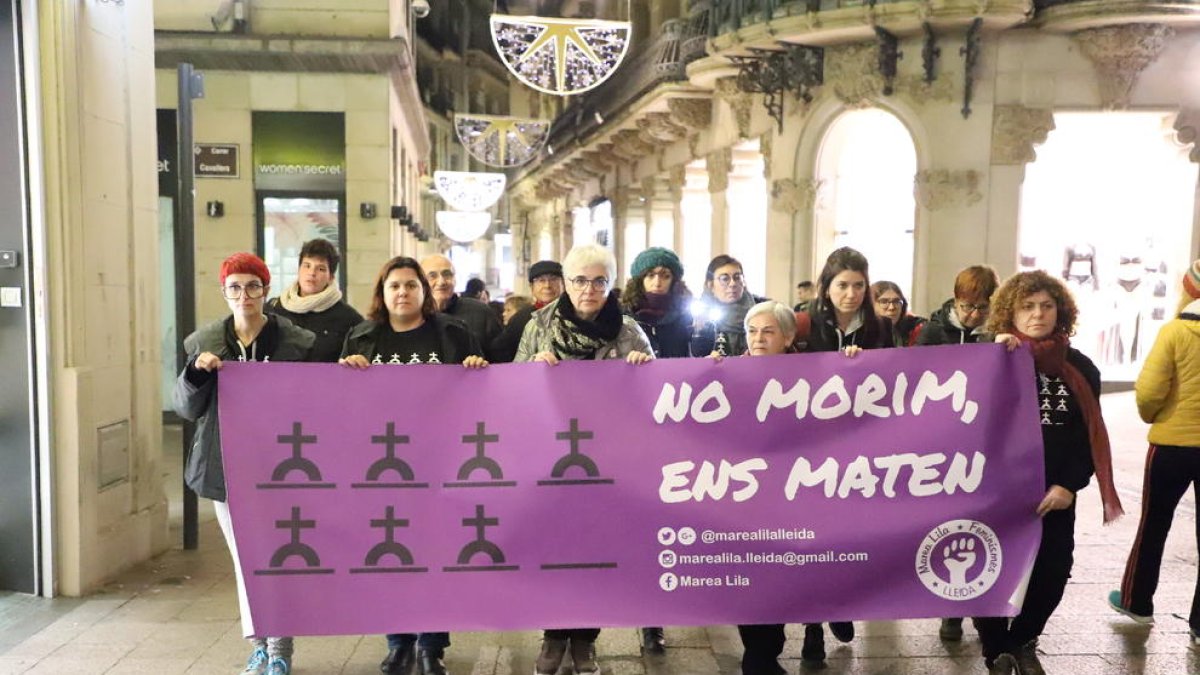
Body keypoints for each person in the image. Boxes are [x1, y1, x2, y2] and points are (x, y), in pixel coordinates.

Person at [339, 256, 487, 675]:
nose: (402, 293)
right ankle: (398, 641)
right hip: (382, 467)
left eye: (410, 285)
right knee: (392, 555)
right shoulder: (362, 338)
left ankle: (431, 644)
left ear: (424, 291)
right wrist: (345, 371)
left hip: (441, 464)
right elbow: (342, 404)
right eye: (394, 287)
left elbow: (481, 397)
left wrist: (477, 369)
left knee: (437, 554)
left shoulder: (455, 335)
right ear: (382, 294)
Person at [173, 253, 315, 675]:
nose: (244, 295)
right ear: (224, 292)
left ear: (266, 290)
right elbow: (185, 407)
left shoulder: (298, 343)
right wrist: (196, 374)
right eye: (234, 287)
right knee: (245, 560)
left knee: (280, 559)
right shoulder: (203, 343)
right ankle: (260, 645)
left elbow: (314, 401)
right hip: (227, 467)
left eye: (253, 285)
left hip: (284, 465)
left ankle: (281, 648)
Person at [516, 244, 654, 675]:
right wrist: (530, 370)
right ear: (566, 281)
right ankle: (554, 636)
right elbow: (512, 388)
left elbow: (656, 395)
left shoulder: (628, 331)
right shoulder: (538, 324)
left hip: (607, 462)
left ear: (610, 284)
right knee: (554, 549)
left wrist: (644, 367)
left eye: (599, 280)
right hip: (551, 458)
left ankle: (586, 641)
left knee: (594, 551)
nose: (589, 289)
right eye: (579, 280)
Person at [979, 270, 1122, 675]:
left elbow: (1085, 433)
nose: (1038, 314)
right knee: (991, 568)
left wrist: (1069, 483)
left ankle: (1021, 638)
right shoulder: (991, 357)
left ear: (1060, 311)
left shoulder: (1079, 367)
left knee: (1054, 571)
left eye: (1046, 305)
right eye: (1027, 306)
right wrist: (995, 356)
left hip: (1053, 491)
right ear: (1011, 311)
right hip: (996, 490)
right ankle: (995, 650)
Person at [1108, 260, 1200, 643]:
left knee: (1154, 524)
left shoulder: (1175, 332)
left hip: (1171, 446)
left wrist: (1154, 416)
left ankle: (1137, 600)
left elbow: (1148, 392)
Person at [910, 265, 999, 642]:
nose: (972, 315)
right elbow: (911, 380)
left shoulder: (997, 334)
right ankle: (952, 606)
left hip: (985, 443)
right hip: (943, 445)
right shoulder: (933, 331)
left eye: (980, 307)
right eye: (966, 306)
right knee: (950, 525)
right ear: (955, 300)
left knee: (983, 523)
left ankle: (978, 604)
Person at [265, 238, 363, 363]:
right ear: (298, 269)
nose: (312, 273)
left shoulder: (349, 319)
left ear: (331, 277)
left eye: (321, 269)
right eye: (307, 266)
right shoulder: (273, 309)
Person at [420, 254, 501, 358]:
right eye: (432, 276)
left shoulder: (481, 313)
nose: (441, 282)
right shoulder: (413, 316)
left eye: (447, 274)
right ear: (420, 282)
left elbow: (500, 360)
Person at [621, 246, 693, 359]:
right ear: (640, 280)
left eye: (666, 276)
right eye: (650, 275)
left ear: (673, 281)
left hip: (675, 376)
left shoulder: (686, 318)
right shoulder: (624, 318)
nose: (657, 283)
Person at [691, 255, 768, 357]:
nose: (732, 284)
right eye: (724, 278)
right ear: (710, 285)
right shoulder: (697, 315)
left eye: (737, 277)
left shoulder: (761, 310)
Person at [490, 260, 564, 363]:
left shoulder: (575, 315)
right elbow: (499, 351)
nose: (547, 285)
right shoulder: (521, 319)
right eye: (541, 280)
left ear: (563, 284)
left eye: (553, 279)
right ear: (532, 287)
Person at [916, 265, 1000, 348]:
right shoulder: (933, 332)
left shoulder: (998, 332)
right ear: (956, 302)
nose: (975, 315)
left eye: (983, 307)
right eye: (968, 307)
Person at [871, 280, 925, 348]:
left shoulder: (915, 328)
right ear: (871, 305)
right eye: (884, 302)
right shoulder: (862, 334)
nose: (892, 307)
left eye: (896, 301)